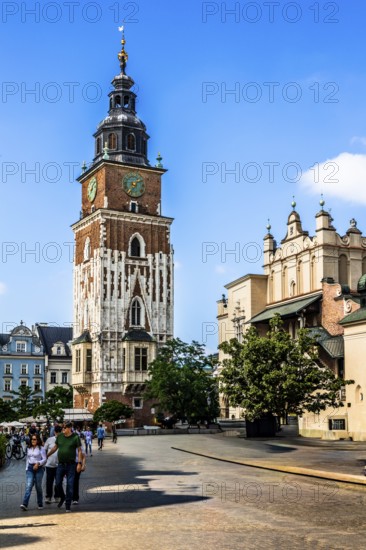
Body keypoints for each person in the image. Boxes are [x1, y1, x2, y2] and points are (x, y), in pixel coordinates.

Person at [47, 422, 82, 513]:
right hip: (61, 465)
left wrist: (80, 463)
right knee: (58, 483)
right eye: (63, 427)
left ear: (70, 428)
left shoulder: (75, 437)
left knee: (70, 485)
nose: (63, 429)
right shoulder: (60, 437)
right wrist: (47, 455)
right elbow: (55, 447)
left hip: (71, 465)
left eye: (65, 427)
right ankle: (63, 497)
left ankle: (67, 505)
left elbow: (79, 451)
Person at [20, 433, 47, 511]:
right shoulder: (28, 448)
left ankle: (40, 503)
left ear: (38, 440)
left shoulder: (41, 448)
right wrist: (26, 469)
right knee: (29, 485)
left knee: (38, 486)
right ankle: (25, 504)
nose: (33, 440)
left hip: (39, 468)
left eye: (34, 439)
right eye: (32, 439)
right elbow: (27, 459)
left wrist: (38, 463)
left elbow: (44, 459)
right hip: (30, 468)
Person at [43, 425, 62, 504]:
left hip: (59, 465)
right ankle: (48, 497)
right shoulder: (49, 440)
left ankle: (57, 496)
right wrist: (44, 459)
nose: (58, 433)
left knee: (58, 481)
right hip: (49, 464)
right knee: (49, 481)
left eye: (59, 432)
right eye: (57, 432)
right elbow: (44, 450)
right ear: (55, 432)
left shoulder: (63, 440)